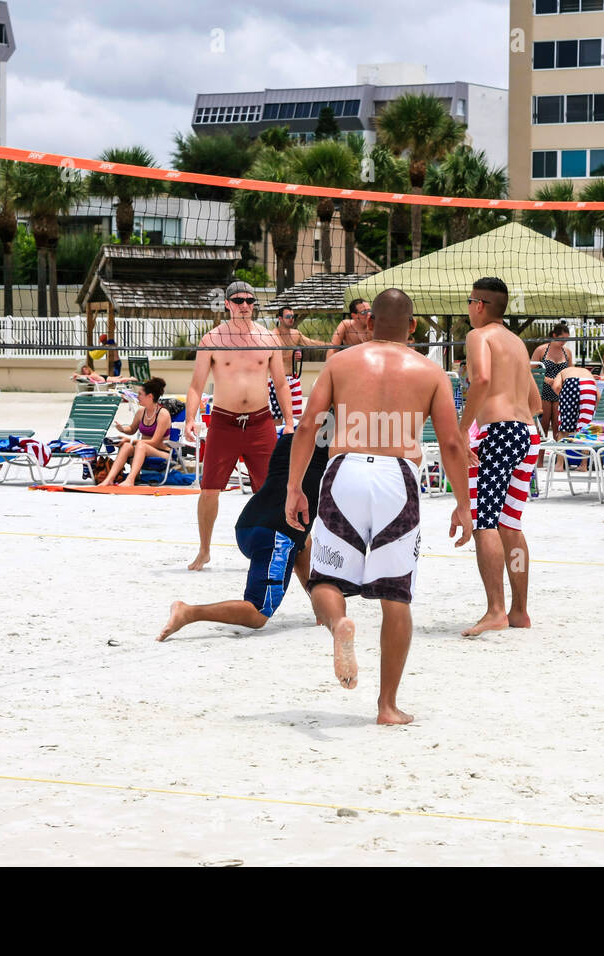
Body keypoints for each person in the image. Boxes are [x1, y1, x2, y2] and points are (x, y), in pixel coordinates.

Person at [285, 287, 471, 725]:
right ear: (412, 326)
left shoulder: (340, 362)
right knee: (395, 596)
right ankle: (387, 706)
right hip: (397, 477)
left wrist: (295, 487)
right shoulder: (430, 371)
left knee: (327, 578)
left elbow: (308, 426)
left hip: (344, 470)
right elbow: (450, 443)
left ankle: (339, 626)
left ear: (367, 324)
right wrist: (463, 504)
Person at [158, 433, 330, 641]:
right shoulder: (336, 454)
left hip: (247, 524)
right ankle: (188, 612)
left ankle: (320, 607)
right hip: (275, 535)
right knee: (258, 613)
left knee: (302, 540)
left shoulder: (288, 440)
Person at [185, 280, 293, 571]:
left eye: (249, 300)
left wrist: (291, 423)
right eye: (239, 300)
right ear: (228, 304)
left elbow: (281, 384)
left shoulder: (269, 339)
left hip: (261, 423)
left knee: (272, 490)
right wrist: (190, 418)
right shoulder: (212, 340)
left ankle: (277, 546)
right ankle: (204, 550)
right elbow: (196, 385)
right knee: (209, 489)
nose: (245, 305)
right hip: (223, 422)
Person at [458, 277, 542, 637]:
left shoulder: (479, 337)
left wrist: (461, 431)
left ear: (479, 305)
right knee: (510, 524)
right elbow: (536, 403)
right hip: (527, 436)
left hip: (499, 433)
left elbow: (481, 380)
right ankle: (519, 611)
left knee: (485, 523)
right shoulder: (517, 343)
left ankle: (495, 610)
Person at [99, 378, 172, 487]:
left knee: (140, 444)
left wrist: (130, 440)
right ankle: (109, 479)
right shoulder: (141, 412)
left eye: (140, 394)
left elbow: (155, 441)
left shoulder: (163, 414)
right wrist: (122, 429)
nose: (137, 397)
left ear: (150, 396)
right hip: (142, 448)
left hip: (162, 452)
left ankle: (130, 480)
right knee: (127, 446)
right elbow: (132, 429)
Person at [268, 306, 331, 426]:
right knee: (277, 420)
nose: (291, 319)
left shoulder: (296, 334)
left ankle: (293, 443)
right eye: (288, 316)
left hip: (293, 379)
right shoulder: (272, 335)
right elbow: (267, 358)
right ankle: (278, 444)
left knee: (297, 418)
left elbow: (312, 343)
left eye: (293, 316)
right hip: (276, 381)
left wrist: (333, 345)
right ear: (280, 318)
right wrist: (290, 357)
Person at [531, 322, 573, 433]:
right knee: (543, 426)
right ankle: (540, 451)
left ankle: (557, 450)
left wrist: (588, 375)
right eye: (562, 338)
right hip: (543, 391)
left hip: (559, 392)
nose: (564, 341)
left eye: (566, 339)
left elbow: (571, 372)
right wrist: (545, 379)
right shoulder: (541, 350)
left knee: (557, 427)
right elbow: (530, 370)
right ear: (554, 335)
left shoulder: (567, 352)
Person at [548, 365, 597, 438]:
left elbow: (557, 386)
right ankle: (585, 448)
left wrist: (564, 397)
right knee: (585, 429)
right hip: (590, 385)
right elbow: (597, 395)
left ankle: (562, 448)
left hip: (571, 383)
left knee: (565, 429)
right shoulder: (587, 372)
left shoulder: (562, 372)